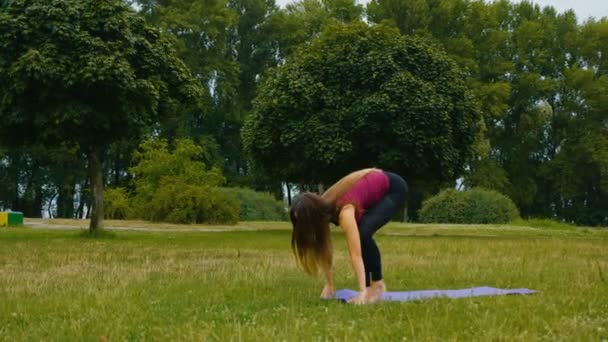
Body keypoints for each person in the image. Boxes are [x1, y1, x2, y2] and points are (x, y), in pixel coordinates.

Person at [289, 168, 408, 304]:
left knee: (363, 233)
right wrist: (329, 285)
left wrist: (362, 292)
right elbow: (322, 247)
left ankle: (377, 285)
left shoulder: (344, 210)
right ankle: (370, 287)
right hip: (374, 186)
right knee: (362, 232)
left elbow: (355, 254)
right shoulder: (321, 210)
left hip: (393, 188)